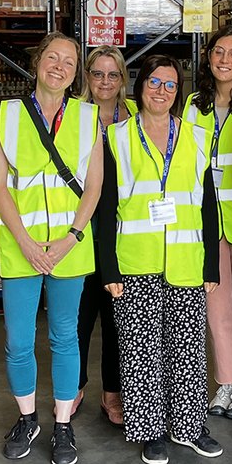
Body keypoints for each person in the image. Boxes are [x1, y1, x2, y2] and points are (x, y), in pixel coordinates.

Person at [99, 54, 222, 464]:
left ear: (178, 91)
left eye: (170, 85)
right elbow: (106, 205)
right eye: (154, 82)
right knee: (140, 350)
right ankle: (150, 430)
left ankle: (188, 426)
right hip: (134, 259)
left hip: (187, 258)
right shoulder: (116, 137)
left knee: (188, 348)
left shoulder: (197, 136)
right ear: (140, 86)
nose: (162, 91)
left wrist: (211, 265)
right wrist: (108, 267)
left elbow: (208, 204)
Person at [0, 32, 101, 464]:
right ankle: (27, 417)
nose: (59, 66)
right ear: (37, 62)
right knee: (18, 341)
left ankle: (64, 424)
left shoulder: (88, 118)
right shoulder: (9, 114)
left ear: (76, 74)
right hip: (22, 247)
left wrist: (71, 237)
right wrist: (24, 242)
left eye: (69, 62)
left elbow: (93, 186)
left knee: (64, 337)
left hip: (68, 248)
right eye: (52, 57)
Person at [181, 25, 232, 421]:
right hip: (205, 219)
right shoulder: (194, 105)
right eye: (218, 52)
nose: (225, 60)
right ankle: (226, 381)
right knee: (215, 303)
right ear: (208, 57)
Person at [76, 45, 136, 426]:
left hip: (123, 230)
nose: (105, 81)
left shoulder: (135, 116)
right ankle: (75, 385)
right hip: (81, 227)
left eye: (112, 75)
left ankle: (112, 392)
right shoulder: (73, 116)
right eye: (98, 74)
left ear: (122, 80)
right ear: (87, 77)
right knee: (79, 315)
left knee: (118, 317)